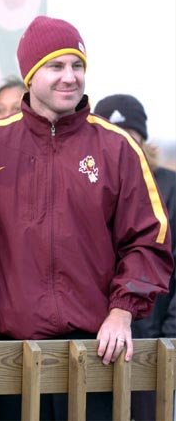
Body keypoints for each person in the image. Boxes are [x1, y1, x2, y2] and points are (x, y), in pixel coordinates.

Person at [0, 15, 173, 420]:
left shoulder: (118, 147)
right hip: (11, 356)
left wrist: (121, 310)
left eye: (77, 66)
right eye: (56, 66)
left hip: (96, 355)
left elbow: (149, 239)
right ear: (30, 74)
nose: (69, 77)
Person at [94, 93, 176, 421]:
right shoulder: (89, 187)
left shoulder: (169, 187)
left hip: (150, 344)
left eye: (132, 138)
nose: (125, 147)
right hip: (97, 342)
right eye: (115, 138)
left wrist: (167, 338)